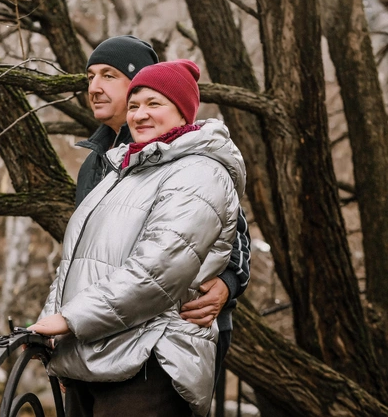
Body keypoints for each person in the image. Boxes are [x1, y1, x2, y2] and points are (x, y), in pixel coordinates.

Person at [29, 60, 246, 417]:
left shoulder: (200, 172)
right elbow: (75, 261)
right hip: (98, 352)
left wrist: (69, 320)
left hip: (149, 363)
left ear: (183, 113)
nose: (140, 115)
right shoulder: (122, 171)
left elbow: (157, 272)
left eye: (154, 104)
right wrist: (54, 328)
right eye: (134, 106)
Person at [75, 36, 250, 386]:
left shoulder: (178, 150)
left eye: (108, 75)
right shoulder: (96, 162)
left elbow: (232, 232)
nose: (94, 87)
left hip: (171, 335)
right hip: (97, 332)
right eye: (90, 76)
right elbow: (87, 254)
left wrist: (229, 284)